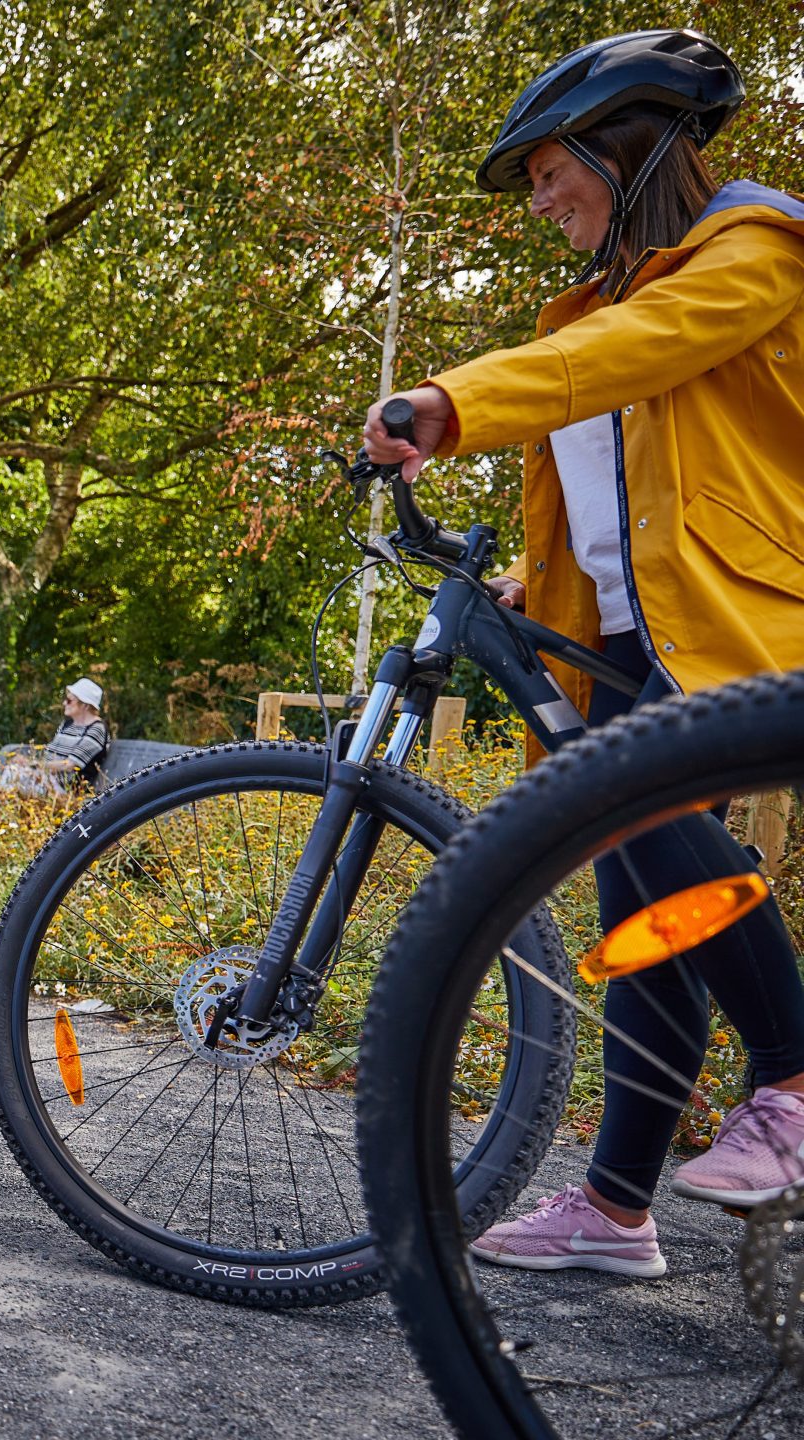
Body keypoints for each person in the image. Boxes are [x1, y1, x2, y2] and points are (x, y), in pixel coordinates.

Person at [362, 28, 804, 1279]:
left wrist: (452, 405)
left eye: (553, 170)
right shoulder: (608, 300)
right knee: (646, 904)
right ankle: (615, 1210)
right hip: (627, 633)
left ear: (633, 146)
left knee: (630, 816)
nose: (541, 199)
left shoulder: (754, 251)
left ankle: (796, 1084)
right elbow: (622, 484)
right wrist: (530, 583)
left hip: (744, 616)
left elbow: (621, 365)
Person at [0, 679, 110, 796]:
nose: (64, 703)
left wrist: (32, 764)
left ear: (85, 705)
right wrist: (26, 760)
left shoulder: (96, 729)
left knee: (14, 773)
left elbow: (69, 765)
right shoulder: (67, 725)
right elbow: (49, 752)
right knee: (14, 769)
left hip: (64, 788)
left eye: (69, 700)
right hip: (45, 777)